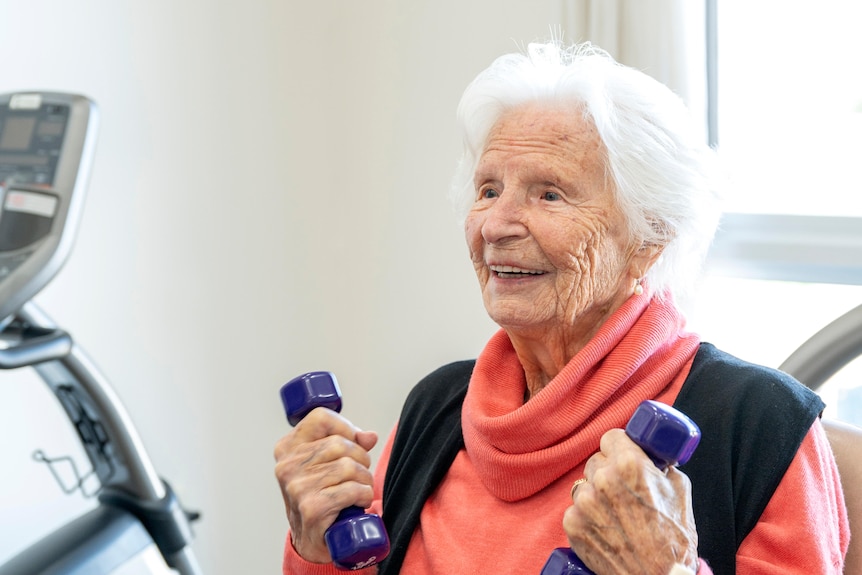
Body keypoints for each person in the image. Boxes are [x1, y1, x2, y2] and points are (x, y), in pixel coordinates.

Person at [273, 41, 849, 575]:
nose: (496, 225)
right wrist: (315, 550)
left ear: (650, 237)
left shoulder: (759, 427)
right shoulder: (435, 410)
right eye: (489, 190)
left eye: (549, 193)